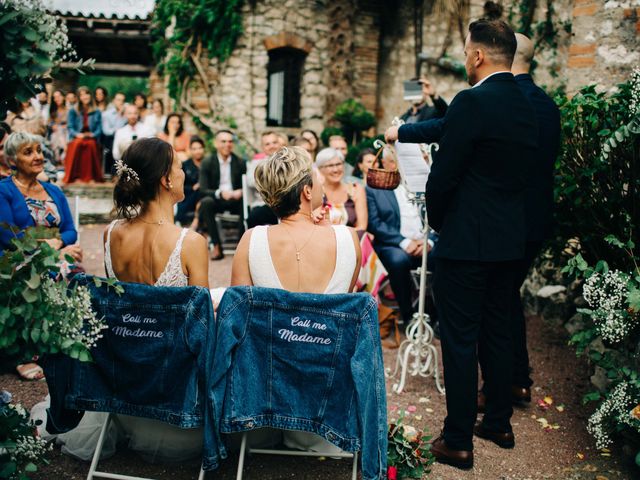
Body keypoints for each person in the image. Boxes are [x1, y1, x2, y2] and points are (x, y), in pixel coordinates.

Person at [386, 19, 538, 469]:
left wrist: (442, 222)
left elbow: (443, 178)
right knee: (497, 329)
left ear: (477, 55)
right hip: (510, 240)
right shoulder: (527, 104)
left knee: (458, 338)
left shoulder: (472, 100)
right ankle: (497, 421)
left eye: (466, 50)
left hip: (467, 242)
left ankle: (457, 440)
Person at [51, 137, 209, 463]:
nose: (184, 174)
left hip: (121, 381)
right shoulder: (190, 243)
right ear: (166, 180)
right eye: (179, 167)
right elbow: (201, 329)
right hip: (170, 396)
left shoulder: (111, 234)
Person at [231, 145, 361, 453]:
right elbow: (343, 309)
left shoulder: (251, 240)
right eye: (316, 180)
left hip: (267, 394)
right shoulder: (348, 239)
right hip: (330, 398)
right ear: (306, 192)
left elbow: (238, 320)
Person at [477, 32, 561, 409]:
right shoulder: (547, 104)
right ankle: (518, 380)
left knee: (493, 302)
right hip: (537, 219)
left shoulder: (505, 101)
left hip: (505, 218)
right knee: (507, 297)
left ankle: (499, 389)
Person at [0, 132, 83, 380]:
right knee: (43, 272)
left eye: (38, 150)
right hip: (17, 258)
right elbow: (10, 236)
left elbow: (70, 230)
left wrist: (58, 244)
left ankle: (62, 342)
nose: (38, 156)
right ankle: (25, 354)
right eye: (28, 152)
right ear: (12, 160)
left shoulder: (53, 191)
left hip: (55, 254)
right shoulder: (4, 191)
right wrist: (50, 248)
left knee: (76, 274)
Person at [366, 150, 431, 325]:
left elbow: (440, 217)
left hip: (426, 242)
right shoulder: (375, 188)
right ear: (384, 163)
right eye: (394, 162)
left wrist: (429, 241)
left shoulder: (426, 184)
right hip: (393, 245)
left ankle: (436, 316)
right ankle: (408, 314)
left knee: (443, 256)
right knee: (398, 260)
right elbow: (374, 223)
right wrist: (405, 242)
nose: (400, 166)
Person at [198, 130, 246, 260]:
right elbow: (203, 189)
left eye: (230, 141)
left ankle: (241, 246)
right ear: (216, 144)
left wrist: (241, 191)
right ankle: (217, 245)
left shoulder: (240, 162)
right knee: (206, 202)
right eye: (223, 141)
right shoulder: (207, 162)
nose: (227, 144)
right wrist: (220, 193)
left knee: (245, 202)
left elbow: (246, 185)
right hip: (217, 199)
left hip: (236, 199)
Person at [315, 147, 367, 233]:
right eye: (330, 165)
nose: (335, 169)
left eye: (338, 164)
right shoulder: (316, 192)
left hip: (352, 241)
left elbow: (362, 227)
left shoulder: (355, 190)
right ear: (320, 169)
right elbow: (315, 225)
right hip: (324, 242)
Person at [63, 86, 103, 184]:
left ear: (90, 95)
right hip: (78, 136)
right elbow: (70, 127)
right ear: (79, 97)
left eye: (87, 94)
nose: (85, 97)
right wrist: (77, 135)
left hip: (91, 136)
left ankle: (91, 177)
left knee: (90, 145)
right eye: (82, 95)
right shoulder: (73, 111)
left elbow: (99, 129)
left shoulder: (96, 111)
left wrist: (93, 134)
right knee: (77, 144)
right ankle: (75, 176)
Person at [175, 136, 205, 227]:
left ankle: (196, 221)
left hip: (203, 195)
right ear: (190, 150)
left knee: (202, 192)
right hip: (189, 196)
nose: (198, 151)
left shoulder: (207, 164)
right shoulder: (185, 165)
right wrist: (192, 187)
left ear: (204, 149)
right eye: (194, 149)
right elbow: (180, 185)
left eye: (200, 148)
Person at [101, 92, 127, 175]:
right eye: (119, 100)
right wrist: (120, 115)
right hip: (110, 138)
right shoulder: (106, 114)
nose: (121, 102)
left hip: (124, 137)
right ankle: (115, 173)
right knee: (115, 144)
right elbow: (107, 131)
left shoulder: (127, 114)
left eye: (123, 100)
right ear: (114, 101)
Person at [48, 90, 69, 165]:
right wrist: (52, 125)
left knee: (59, 133)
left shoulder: (69, 109)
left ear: (63, 97)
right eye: (55, 97)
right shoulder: (53, 110)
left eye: (59, 96)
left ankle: (61, 156)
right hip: (56, 133)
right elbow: (49, 123)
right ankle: (59, 158)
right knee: (55, 135)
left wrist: (65, 126)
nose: (57, 99)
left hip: (67, 132)